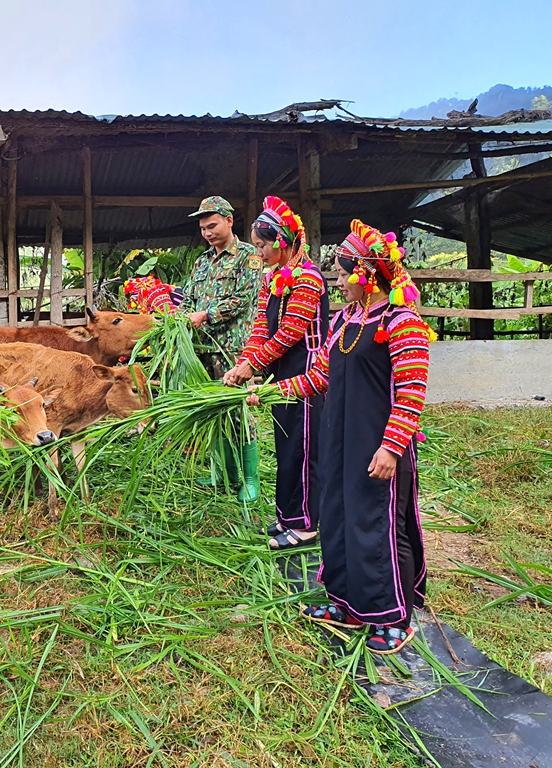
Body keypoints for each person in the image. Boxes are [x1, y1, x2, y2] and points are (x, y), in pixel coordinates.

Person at [247, 219, 431, 655]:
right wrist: (274, 390)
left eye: (344, 272)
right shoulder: (347, 318)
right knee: (337, 514)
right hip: (338, 438)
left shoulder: (403, 323)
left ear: (366, 274)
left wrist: (392, 446)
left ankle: (393, 615)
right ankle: (345, 603)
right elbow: (320, 376)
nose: (337, 282)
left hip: (378, 444)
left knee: (378, 523)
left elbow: (411, 393)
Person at [223, 196, 329, 550]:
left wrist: (253, 366)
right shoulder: (273, 279)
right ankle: (288, 516)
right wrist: (245, 363)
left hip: (309, 373)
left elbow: (289, 333)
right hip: (283, 371)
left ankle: (307, 524)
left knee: (304, 447)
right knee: (285, 445)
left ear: (282, 240)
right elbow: (261, 328)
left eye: (263, 245)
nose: (260, 252)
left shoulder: (309, 279)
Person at [181, 196, 263, 502]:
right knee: (214, 410)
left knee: (240, 410)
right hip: (202, 350)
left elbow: (244, 297)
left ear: (229, 220)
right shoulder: (202, 262)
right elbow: (188, 300)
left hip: (233, 349)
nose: (207, 233)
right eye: (202, 228)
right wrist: (180, 321)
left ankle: (250, 479)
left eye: (212, 225)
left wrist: (206, 315)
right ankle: (222, 474)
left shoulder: (249, 257)